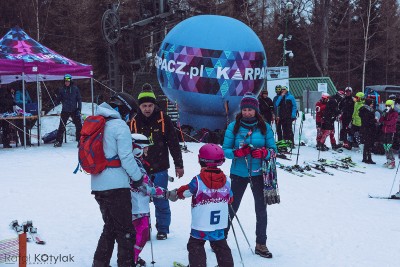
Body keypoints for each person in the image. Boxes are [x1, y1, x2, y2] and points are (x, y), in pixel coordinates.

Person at [91, 92, 143, 267]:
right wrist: (138, 178)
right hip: (116, 188)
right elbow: (127, 158)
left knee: (110, 228)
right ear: (124, 109)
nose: (130, 119)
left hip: (98, 184)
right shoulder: (119, 125)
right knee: (126, 231)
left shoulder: (99, 122)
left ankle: (99, 263)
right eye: (131, 114)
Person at [222, 92, 277, 258]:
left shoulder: (264, 127)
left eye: (250, 110)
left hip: (259, 174)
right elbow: (225, 151)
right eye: (244, 110)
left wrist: (264, 153)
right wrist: (237, 153)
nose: (247, 113)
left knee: (261, 209)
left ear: (256, 111)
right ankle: (220, 239)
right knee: (232, 207)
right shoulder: (234, 126)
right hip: (239, 173)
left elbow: (274, 150)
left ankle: (261, 244)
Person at [129, 83, 184, 240]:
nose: (147, 109)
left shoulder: (162, 119)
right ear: (140, 107)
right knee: (140, 201)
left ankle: (163, 228)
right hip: (139, 168)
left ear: (154, 105)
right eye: (144, 106)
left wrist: (179, 164)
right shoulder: (134, 121)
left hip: (159, 166)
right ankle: (143, 228)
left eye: (150, 105)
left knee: (161, 198)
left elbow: (173, 142)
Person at [175, 144, 234, 267]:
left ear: (199, 159)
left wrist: (178, 192)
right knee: (220, 245)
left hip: (201, 224)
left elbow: (185, 193)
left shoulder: (198, 181)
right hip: (218, 223)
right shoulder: (227, 180)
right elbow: (231, 198)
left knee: (195, 245)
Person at [129, 133, 176, 267]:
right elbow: (148, 188)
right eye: (145, 148)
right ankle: (131, 259)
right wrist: (167, 194)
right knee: (142, 233)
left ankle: (132, 257)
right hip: (137, 207)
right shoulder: (136, 166)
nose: (147, 151)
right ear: (137, 149)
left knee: (137, 234)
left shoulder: (135, 163)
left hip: (135, 205)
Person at [54, 74, 82, 147]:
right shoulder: (62, 89)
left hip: (74, 110)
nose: (66, 82)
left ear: (70, 81)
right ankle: (58, 141)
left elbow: (79, 99)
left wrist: (79, 109)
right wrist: (54, 102)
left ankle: (80, 141)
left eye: (68, 81)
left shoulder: (75, 89)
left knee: (79, 126)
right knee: (62, 126)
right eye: (65, 81)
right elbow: (58, 99)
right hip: (65, 110)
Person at [379, 100, 398, 169]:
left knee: (389, 146)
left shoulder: (395, 113)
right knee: (385, 146)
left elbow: (392, 122)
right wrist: (383, 115)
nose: (387, 107)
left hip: (391, 131)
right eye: (386, 105)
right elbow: (380, 120)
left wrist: (384, 122)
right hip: (384, 131)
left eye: (389, 106)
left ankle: (392, 161)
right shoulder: (385, 111)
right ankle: (388, 160)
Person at [359, 98, 377, 164]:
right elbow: (367, 121)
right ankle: (367, 158)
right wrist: (374, 121)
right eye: (371, 103)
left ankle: (366, 158)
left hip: (366, 128)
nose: (372, 105)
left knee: (367, 143)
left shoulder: (364, 109)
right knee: (368, 143)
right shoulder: (366, 110)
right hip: (368, 129)